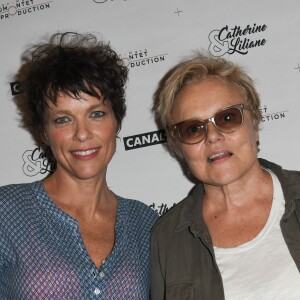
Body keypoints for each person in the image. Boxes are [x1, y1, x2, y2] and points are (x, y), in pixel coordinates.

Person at [0, 32, 158, 299]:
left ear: (116, 122)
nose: (82, 134)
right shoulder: (7, 212)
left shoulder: (146, 224)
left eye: (96, 114)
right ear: (43, 132)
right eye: (63, 119)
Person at [150, 53, 300, 299]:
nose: (212, 136)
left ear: (255, 123)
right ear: (178, 146)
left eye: (227, 118)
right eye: (193, 129)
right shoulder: (167, 239)